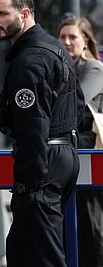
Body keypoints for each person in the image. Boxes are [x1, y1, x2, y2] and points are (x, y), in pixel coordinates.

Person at [0, 0, 81, 266]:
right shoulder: (52, 49)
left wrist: (29, 185)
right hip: (62, 156)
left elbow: (33, 127)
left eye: (2, 13)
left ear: (25, 14)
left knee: (44, 257)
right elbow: (76, 104)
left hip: (42, 166)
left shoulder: (30, 61)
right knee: (20, 250)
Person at [57, 17, 103, 267]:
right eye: (62, 36)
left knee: (89, 222)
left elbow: (76, 102)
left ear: (85, 40)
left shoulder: (92, 68)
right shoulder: (64, 66)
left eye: (72, 36)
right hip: (73, 152)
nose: (66, 41)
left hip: (90, 152)